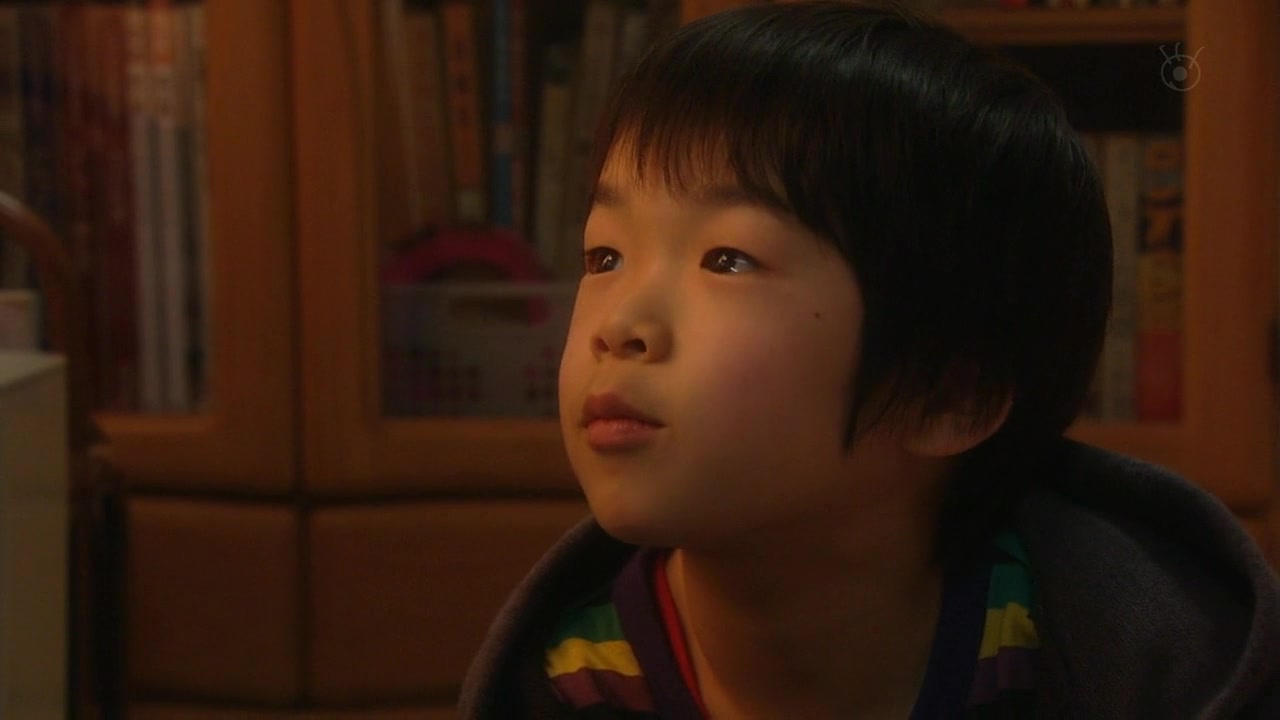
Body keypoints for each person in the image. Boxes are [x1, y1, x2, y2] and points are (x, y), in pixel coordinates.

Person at [458, 2, 1280, 717]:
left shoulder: (1124, 657)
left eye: (728, 259)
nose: (619, 326)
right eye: (604, 255)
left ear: (949, 397)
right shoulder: (570, 680)